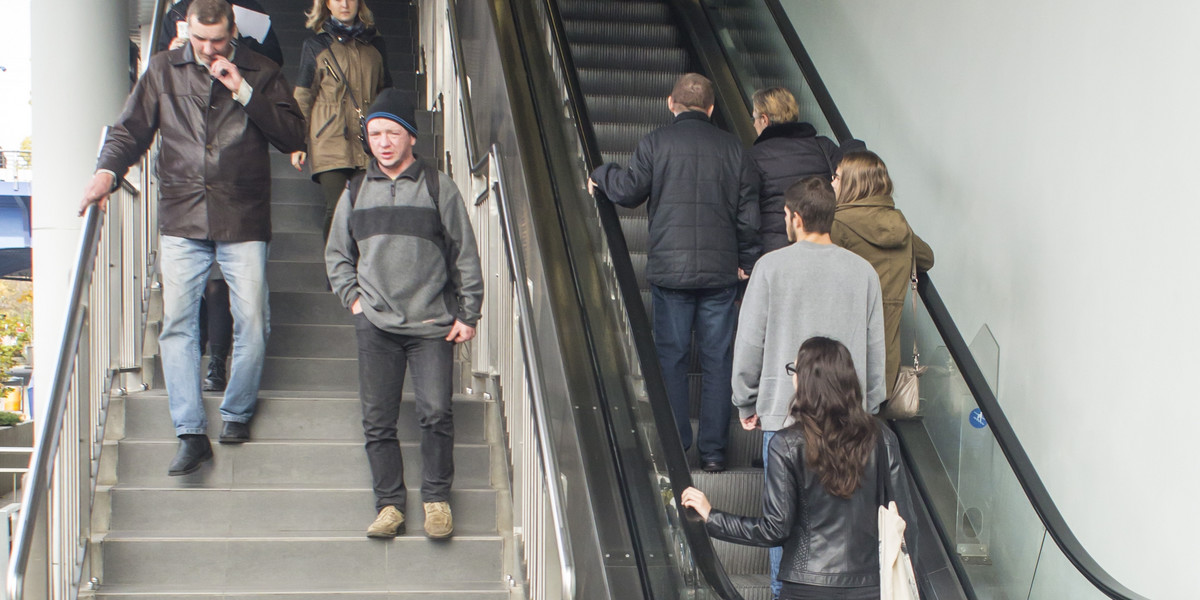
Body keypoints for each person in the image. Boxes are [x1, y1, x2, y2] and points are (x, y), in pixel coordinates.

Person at [81, 0, 305, 476]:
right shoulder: (163, 68)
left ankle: (237, 411)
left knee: (254, 321)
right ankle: (189, 432)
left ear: (234, 33)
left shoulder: (261, 70)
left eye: (216, 41)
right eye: (198, 40)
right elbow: (131, 130)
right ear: (186, 31)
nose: (206, 50)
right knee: (178, 325)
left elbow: (291, 135)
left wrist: (243, 90)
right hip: (182, 214)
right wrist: (107, 171)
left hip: (243, 214)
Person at [325, 89, 484, 540]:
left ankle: (437, 501)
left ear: (411, 136)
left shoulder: (438, 186)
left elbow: (464, 254)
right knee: (378, 419)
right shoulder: (355, 190)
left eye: (392, 132)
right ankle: (389, 506)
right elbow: (337, 253)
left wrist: (468, 312)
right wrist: (354, 300)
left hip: (432, 322)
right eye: (375, 134)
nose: (384, 142)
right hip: (375, 324)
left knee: (436, 412)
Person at [588, 73, 760, 472]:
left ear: (671, 103)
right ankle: (715, 452)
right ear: (712, 108)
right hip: (720, 275)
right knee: (719, 361)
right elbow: (748, 218)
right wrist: (747, 264)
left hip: (670, 274)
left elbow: (629, 191)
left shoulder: (655, 143)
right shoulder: (735, 149)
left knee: (673, 359)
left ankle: (676, 444)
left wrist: (601, 173)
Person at [732, 176, 885, 597]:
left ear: (796, 218)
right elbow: (875, 349)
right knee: (845, 530)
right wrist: (868, 409)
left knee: (786, 531)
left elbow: (750, 340)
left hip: (785, 415)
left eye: (785, 215)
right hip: (851, 422)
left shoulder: (770, 267)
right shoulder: (863, 272)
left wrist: (746, 400)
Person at [683, 337, 921, 600]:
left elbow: (775, 529)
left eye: (794, 371)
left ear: (806, 381)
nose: (792, 378)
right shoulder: (883, 439)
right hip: (869, 586)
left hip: (805, 587)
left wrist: (712, 516)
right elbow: (905, 521)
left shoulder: (786, 444)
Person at [831, 151, 934, 399]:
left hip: (842, 355)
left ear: (853, 183)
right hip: (886, 362)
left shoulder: (836, 225)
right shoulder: (899, 224)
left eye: (836, 176)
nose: (831, 182)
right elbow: (926, 258)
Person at [291, 0, 392, 239]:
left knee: (366, 209)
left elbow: (386, 92)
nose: (344, 4)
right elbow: (304, 94)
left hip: (367, 139)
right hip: (328, 137)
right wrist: (297, 141)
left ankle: (360, 271)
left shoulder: (375, 44)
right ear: (326, 4)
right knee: (337, 209)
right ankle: (336, 273)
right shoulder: (316, 45)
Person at [745, 87, 847, 254]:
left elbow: (747, 211)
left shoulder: (753, 157)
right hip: (822, 246)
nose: (754, 123)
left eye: (754, 118)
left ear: (764, 119)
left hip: (774, 250)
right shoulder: (824, 147)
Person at [156, 0, 285, 66]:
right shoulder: (177, 13)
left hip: (237, 95)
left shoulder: (250, 8)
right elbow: (159, 61)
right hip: (189, 94)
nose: (208, 50)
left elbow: (275, 60)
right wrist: (171, 52)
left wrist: (238, 41)